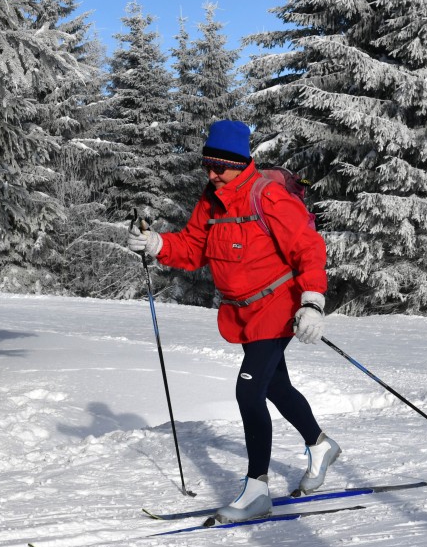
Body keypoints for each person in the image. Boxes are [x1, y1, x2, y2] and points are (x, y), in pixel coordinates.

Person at [127, 119, 341, 522]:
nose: (211, 174)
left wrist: (312, 301)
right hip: (242, 313)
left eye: (218, 167)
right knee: (275, 384)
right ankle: (319, 444)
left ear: (240, 164)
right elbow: (192, 248)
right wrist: (156, 244)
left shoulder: (269, 196)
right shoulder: (211, 200)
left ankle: (257, 490)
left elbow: (308, 248)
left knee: (248, 391)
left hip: (278, 306)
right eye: (206, 165)